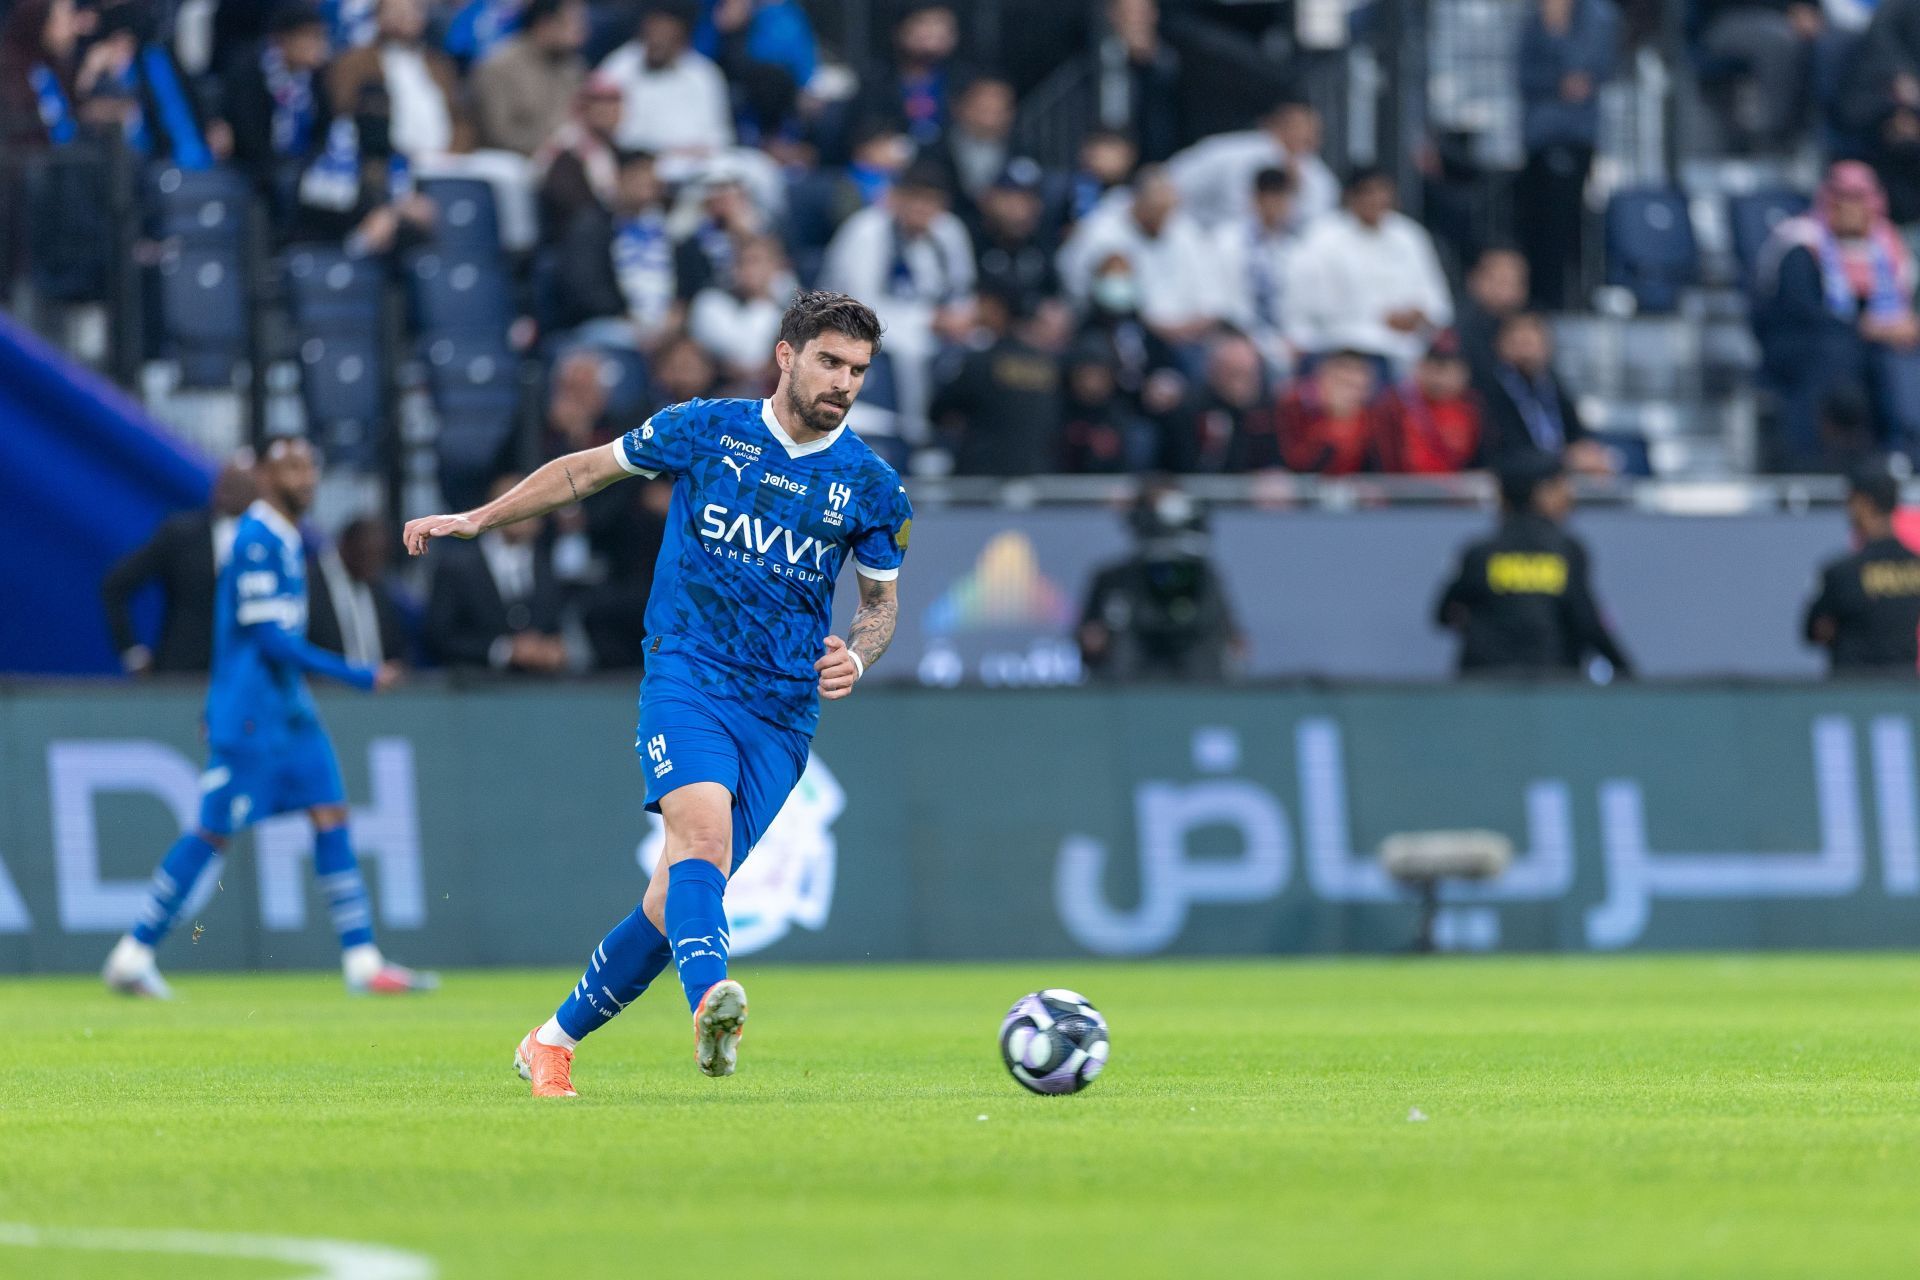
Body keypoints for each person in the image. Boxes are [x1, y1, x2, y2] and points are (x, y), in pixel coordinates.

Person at [403, 291, 912, 1091]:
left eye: (858, 370)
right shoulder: (705, 428)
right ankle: (712, 1000)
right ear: (786, 354)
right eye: (830, 361)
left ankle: (550, 1041)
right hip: (689, 677)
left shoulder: (873, 487)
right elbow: (582, 473)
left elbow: (879, 607)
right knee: (701, 844)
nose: (843, 382)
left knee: (672, 898)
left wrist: (862, 656)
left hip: (782, 714)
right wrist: (479, 518)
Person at [100, 438, 429, 999]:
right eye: (292, 468)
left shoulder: (286, 538)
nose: (307, 478)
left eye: (311, 466)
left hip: (289, 710)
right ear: (268, 480)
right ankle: (133, 953)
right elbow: (270, 640)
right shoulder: (255, 539)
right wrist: (359, 674)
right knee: (213, 830)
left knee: (331, 814)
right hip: (252, 714)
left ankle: (362, 961)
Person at [1753, 161, 1920, 468]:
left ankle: (1904, 449)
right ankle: (1812, 458)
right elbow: (1803, 312)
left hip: (1867, 340)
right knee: (1834, 350)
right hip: (1800, 342)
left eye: (1859, 198)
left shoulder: (1887, 246)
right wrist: (1861, 328)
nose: (1851, 207)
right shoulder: (1801, 243)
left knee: (1901, 352)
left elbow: (1898, 305)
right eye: (1843, 197)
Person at [1434, 452, 1634, 677]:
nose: (1569, 496)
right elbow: (1587, 623)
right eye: (1561, 485)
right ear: (1541, 493)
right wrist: (1629, 675)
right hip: (1551, 691)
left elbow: (1442, 615)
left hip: (1486, 690)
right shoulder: (1566, 551)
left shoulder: (1480, 553)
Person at [820, 160, 977, 443]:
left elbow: (962, 290)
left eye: (932, 202)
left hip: (935, 330)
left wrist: (959, 318)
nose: (922, 209)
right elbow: (859, 307)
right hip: (852, 329)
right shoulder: (867, 232)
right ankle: (914, 436)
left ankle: (952, 439)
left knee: (979, 347)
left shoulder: (949, 232)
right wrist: (929, 320)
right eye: (915, 199)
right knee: (909, 347)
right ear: (896, 198)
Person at [101, 453, 258, 677]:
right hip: (183, 677)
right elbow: (114, 585)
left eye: (241, 484)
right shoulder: (180, 534)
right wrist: (131, 653)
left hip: (249, 676)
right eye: (225, 483)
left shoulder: (274, 541)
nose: (227, 491)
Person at [1283, 168, 1453, 372]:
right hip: (1346, 347)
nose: (1376, 199)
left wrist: (1419, 315)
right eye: (1368, 192)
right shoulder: (1323, 237)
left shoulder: (1409, 235)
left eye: (1383, 192)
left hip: (1413, 351)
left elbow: (1438, 302)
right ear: (1350, 196)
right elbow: (1311, 308)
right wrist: (1380, 317)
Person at [1078, 484, 1241, 681]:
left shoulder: (1204, 578)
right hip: (1132, 686)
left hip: (1198, 681)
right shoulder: (1112, 579)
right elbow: (1086, 642)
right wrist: (1099, 640)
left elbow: (1235, 642)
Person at [1060, 166, 1228, 352]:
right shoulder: (1103, 230)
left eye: (1167, 211)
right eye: (1156, 210)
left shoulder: (1182, 228)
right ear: (1137, 201)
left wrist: (1188, 327)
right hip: (1120, 329)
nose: (1163, 220)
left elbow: (1214, 301)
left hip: (1189, 336)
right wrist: (1158, 328)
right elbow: (1083, 291)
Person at [1517, 0, 1618, 309]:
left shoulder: (1599, 15)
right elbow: (1523, 76)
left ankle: (1565, 298)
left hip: (1576, 135)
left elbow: (1587, 74)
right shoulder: (1532, 18)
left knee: (1568, 218)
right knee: (1536, 222)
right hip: (1537, 138)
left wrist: (1556, 31)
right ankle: (1539, 300)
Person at [929, 291, 1066, 475]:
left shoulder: (981, 362)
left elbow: (938, 411)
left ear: (997, 309)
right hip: (1035, 474)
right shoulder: (1047, 364)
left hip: (981, 478)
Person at [554, 147, 679, 347]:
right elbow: (586, 286)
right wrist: (625, 317)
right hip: (610, 323)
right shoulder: (593, 224)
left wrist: (678, 313)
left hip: (665, 325)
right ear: (619, 177)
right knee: (619, 339)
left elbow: (687, 280)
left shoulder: (667, 227)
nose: (647, 184)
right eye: (639, 175)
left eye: (652, 178)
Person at [1804, 466, 1920, 675]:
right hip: (1904, 693)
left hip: (1852, 694)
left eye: (1850, 501)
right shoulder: (1916, 567)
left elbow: (1817, 631)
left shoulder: (1842, 572)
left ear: (1864, 504)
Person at [326, 0, 474, 160]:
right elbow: (344, 112)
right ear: (378, 17)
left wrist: (453, 153)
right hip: (384, 162)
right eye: (397, 11)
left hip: (445, 159)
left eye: (413, 11)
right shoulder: (355, 62)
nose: (406, 17)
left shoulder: (439, 64)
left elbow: (460, 117)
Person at [1167, 93, 1337, 231]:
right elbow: (1170, 182)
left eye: (1313, 132)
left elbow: (1316, 229)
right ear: (1275, 124)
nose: (1306, 136)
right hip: (1215, 247)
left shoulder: (1319, 177)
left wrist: (1298, 187)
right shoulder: (1232, 153)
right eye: (1299, 126)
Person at [219, 1, 335, 199]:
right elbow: (248, 134)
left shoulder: (318, 77)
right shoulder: (250, 70)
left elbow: (324, 130)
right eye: (311, 37)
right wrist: (278, 170)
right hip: (255, 172)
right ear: (283, 40)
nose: (319, 46)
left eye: (321, 37)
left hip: (304, 169)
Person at [597, 0, 732, 164]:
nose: (658, 39)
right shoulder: (619, 67)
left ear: (681, 37)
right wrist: (665, 151)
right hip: (637, 163)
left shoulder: (704, 74)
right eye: (655, 31)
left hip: (697, 165)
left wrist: (693, 153)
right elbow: (613, 130)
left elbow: (720, 137)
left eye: (666, 33)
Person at [1479, 312, 1608, 470]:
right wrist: (1562, 460)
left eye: (1530, 344)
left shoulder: (1551, 384)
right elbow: (1505, 452)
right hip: (1519, 475)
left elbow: (1575, 432)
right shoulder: (1491, 388)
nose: (1526, 353)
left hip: (1557, 469)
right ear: (1501, 345)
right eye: (1519, 343)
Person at [1210, 166, 1300, 377]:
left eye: (1284, 199)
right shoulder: (1226, 240)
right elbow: (1221, 299)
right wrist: (1249, 336)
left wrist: (1293, 339)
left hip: (1283, 338)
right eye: (1272, 198)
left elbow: (1300, 305)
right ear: (1256, 199)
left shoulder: (1295, 248)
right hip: (1237, 334)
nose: (1278, 206)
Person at [471, 0, 587, 156]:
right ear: (546, 24)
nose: (582, 33)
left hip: (566, 158)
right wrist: (551, 147)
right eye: (574, 23)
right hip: (514, 158)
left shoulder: (573, 67)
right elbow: (498, 134)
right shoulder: (499, 66)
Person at [853, 0, 964, 149]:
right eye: (924, 23)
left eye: (943, 25)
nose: (934, 32)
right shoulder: (876, 80)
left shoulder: (967, 82)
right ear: (900, 30)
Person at [688, 233, 794, 387]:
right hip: (718, 392)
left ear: (777, 267)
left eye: (758, 261)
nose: (751, 270)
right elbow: (744, 357)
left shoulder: (793, 308)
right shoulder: (711, 303)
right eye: (744, 262)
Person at [1372, 331, 1485, 474]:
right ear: (1419, 368)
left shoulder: (1474, 407)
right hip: (1406, 490)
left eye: (1449, 370)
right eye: (1433, 368)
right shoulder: (1393, 405)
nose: (1440, 379)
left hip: (1458, 492)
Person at [310, 515, 414, 668]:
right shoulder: (310, 584)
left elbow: (395, 649)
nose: (374, 563)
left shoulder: (381, 590)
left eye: (381, 555)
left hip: (379, 689)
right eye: (367, 553)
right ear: (345, 545)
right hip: (325, 686)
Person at [531, 72, 622, 244]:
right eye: (599, 102)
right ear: (583, 107)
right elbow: (567, 202)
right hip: (565, 236)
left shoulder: (612, 148)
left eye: (614, 102)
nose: (607, 109)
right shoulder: (565, 146)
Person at [1267, 347, 1378, 475]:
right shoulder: (1295, 407)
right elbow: (1297, 462)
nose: (1349, 393)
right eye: (1343, 383)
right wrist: (1333, 425)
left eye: (1356, 387)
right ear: (1324, 378)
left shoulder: (1370, 417)